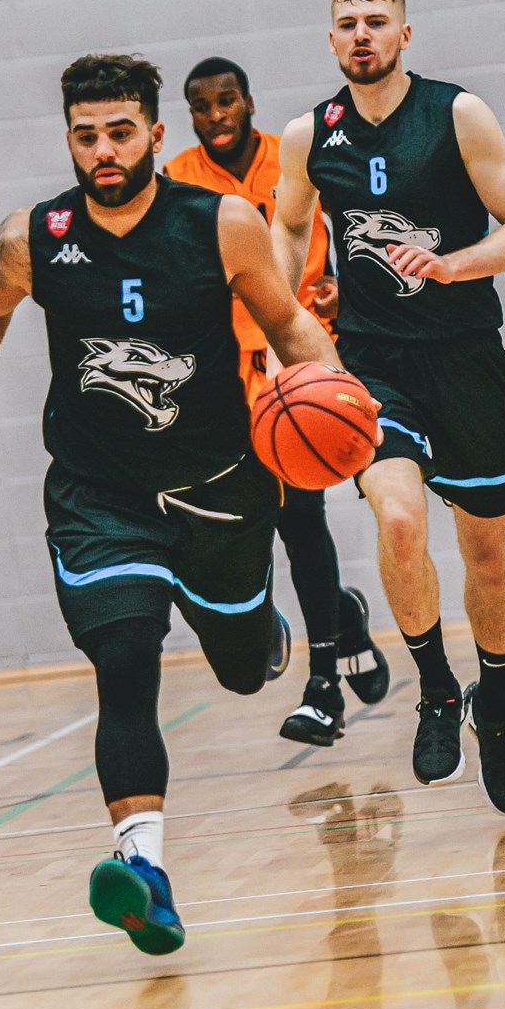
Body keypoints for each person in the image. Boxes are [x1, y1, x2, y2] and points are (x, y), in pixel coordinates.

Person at [0, 54, 358, 956]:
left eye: (120, 133)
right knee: (123, 662)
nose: (103, 151)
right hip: (99, 495)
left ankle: (262, 631)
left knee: (242, 670)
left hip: (220, 488)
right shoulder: (34, 237)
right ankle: (145, 871)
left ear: (156, 135)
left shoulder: (221, 223)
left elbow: (288, 324)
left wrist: (343, 400)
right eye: (86, 136)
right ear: (69, 141)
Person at [270, 0, 505, 814]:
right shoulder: (309, 135)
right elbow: (288, 223)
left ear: (404, 33)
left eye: (376, 20)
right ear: (330, 40)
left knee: (486, 553)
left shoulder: (458, 114)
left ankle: (495, 705)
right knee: (397, 521)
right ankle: (435, 689)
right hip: (372, 363)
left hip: (465, 358)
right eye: (347, 23)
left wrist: (453, 265)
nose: (362, 34)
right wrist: (283, 327)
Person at [165, 57, 390, 746]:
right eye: (202, 106)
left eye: (226, 100)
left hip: (297, 372)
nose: (216, 115)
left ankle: (323, 687)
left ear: (248, 101)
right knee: (245, 526)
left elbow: (345, 236)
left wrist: (346, 292)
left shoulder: (291, 163)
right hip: (221, 382)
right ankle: (340, 618)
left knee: (301, 521)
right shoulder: (175, 180)